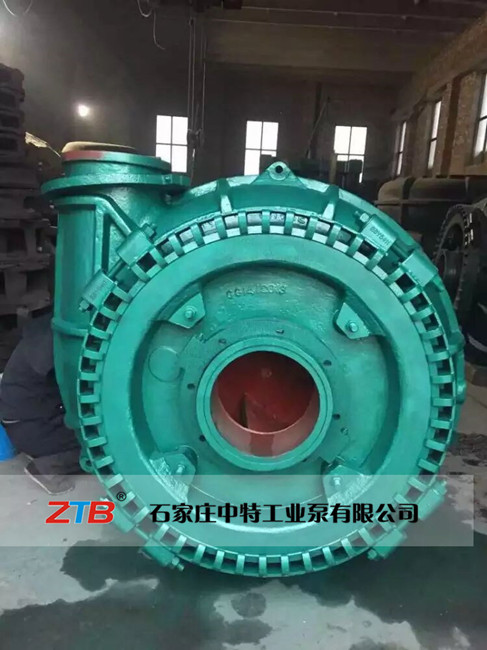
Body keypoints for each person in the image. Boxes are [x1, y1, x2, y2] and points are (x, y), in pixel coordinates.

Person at [0, 312, 80, 494]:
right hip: (33, 428)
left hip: (23, 418)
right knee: (102, 440)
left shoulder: (50, 325)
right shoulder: (55, 346)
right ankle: (48, 467)